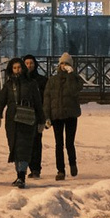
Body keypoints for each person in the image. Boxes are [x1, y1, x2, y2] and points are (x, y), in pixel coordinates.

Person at [0, 55, 45, 187]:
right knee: (14, 147)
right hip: (12, 120)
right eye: (15, 68)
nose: (17, 70)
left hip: (27, 119)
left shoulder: (31, 83)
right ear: (11, 69)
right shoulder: (8, 85)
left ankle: (21, 175)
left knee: (24, 147)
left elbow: (38, 103)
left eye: (19, 67)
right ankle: (19, 174)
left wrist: (41, 120)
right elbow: (1, 102)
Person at [44, 51, 83, 179]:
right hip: (56, 115)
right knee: (58, 144)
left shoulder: (75, 79)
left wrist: (71, 75)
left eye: (67, 64)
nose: (64, 66)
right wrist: (47, 116)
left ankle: (72, 163)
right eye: (62, 63)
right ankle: (60, 170)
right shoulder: (52, 80)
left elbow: (74, 90)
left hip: (71, 114)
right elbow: (47, 98)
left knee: (69, 142)